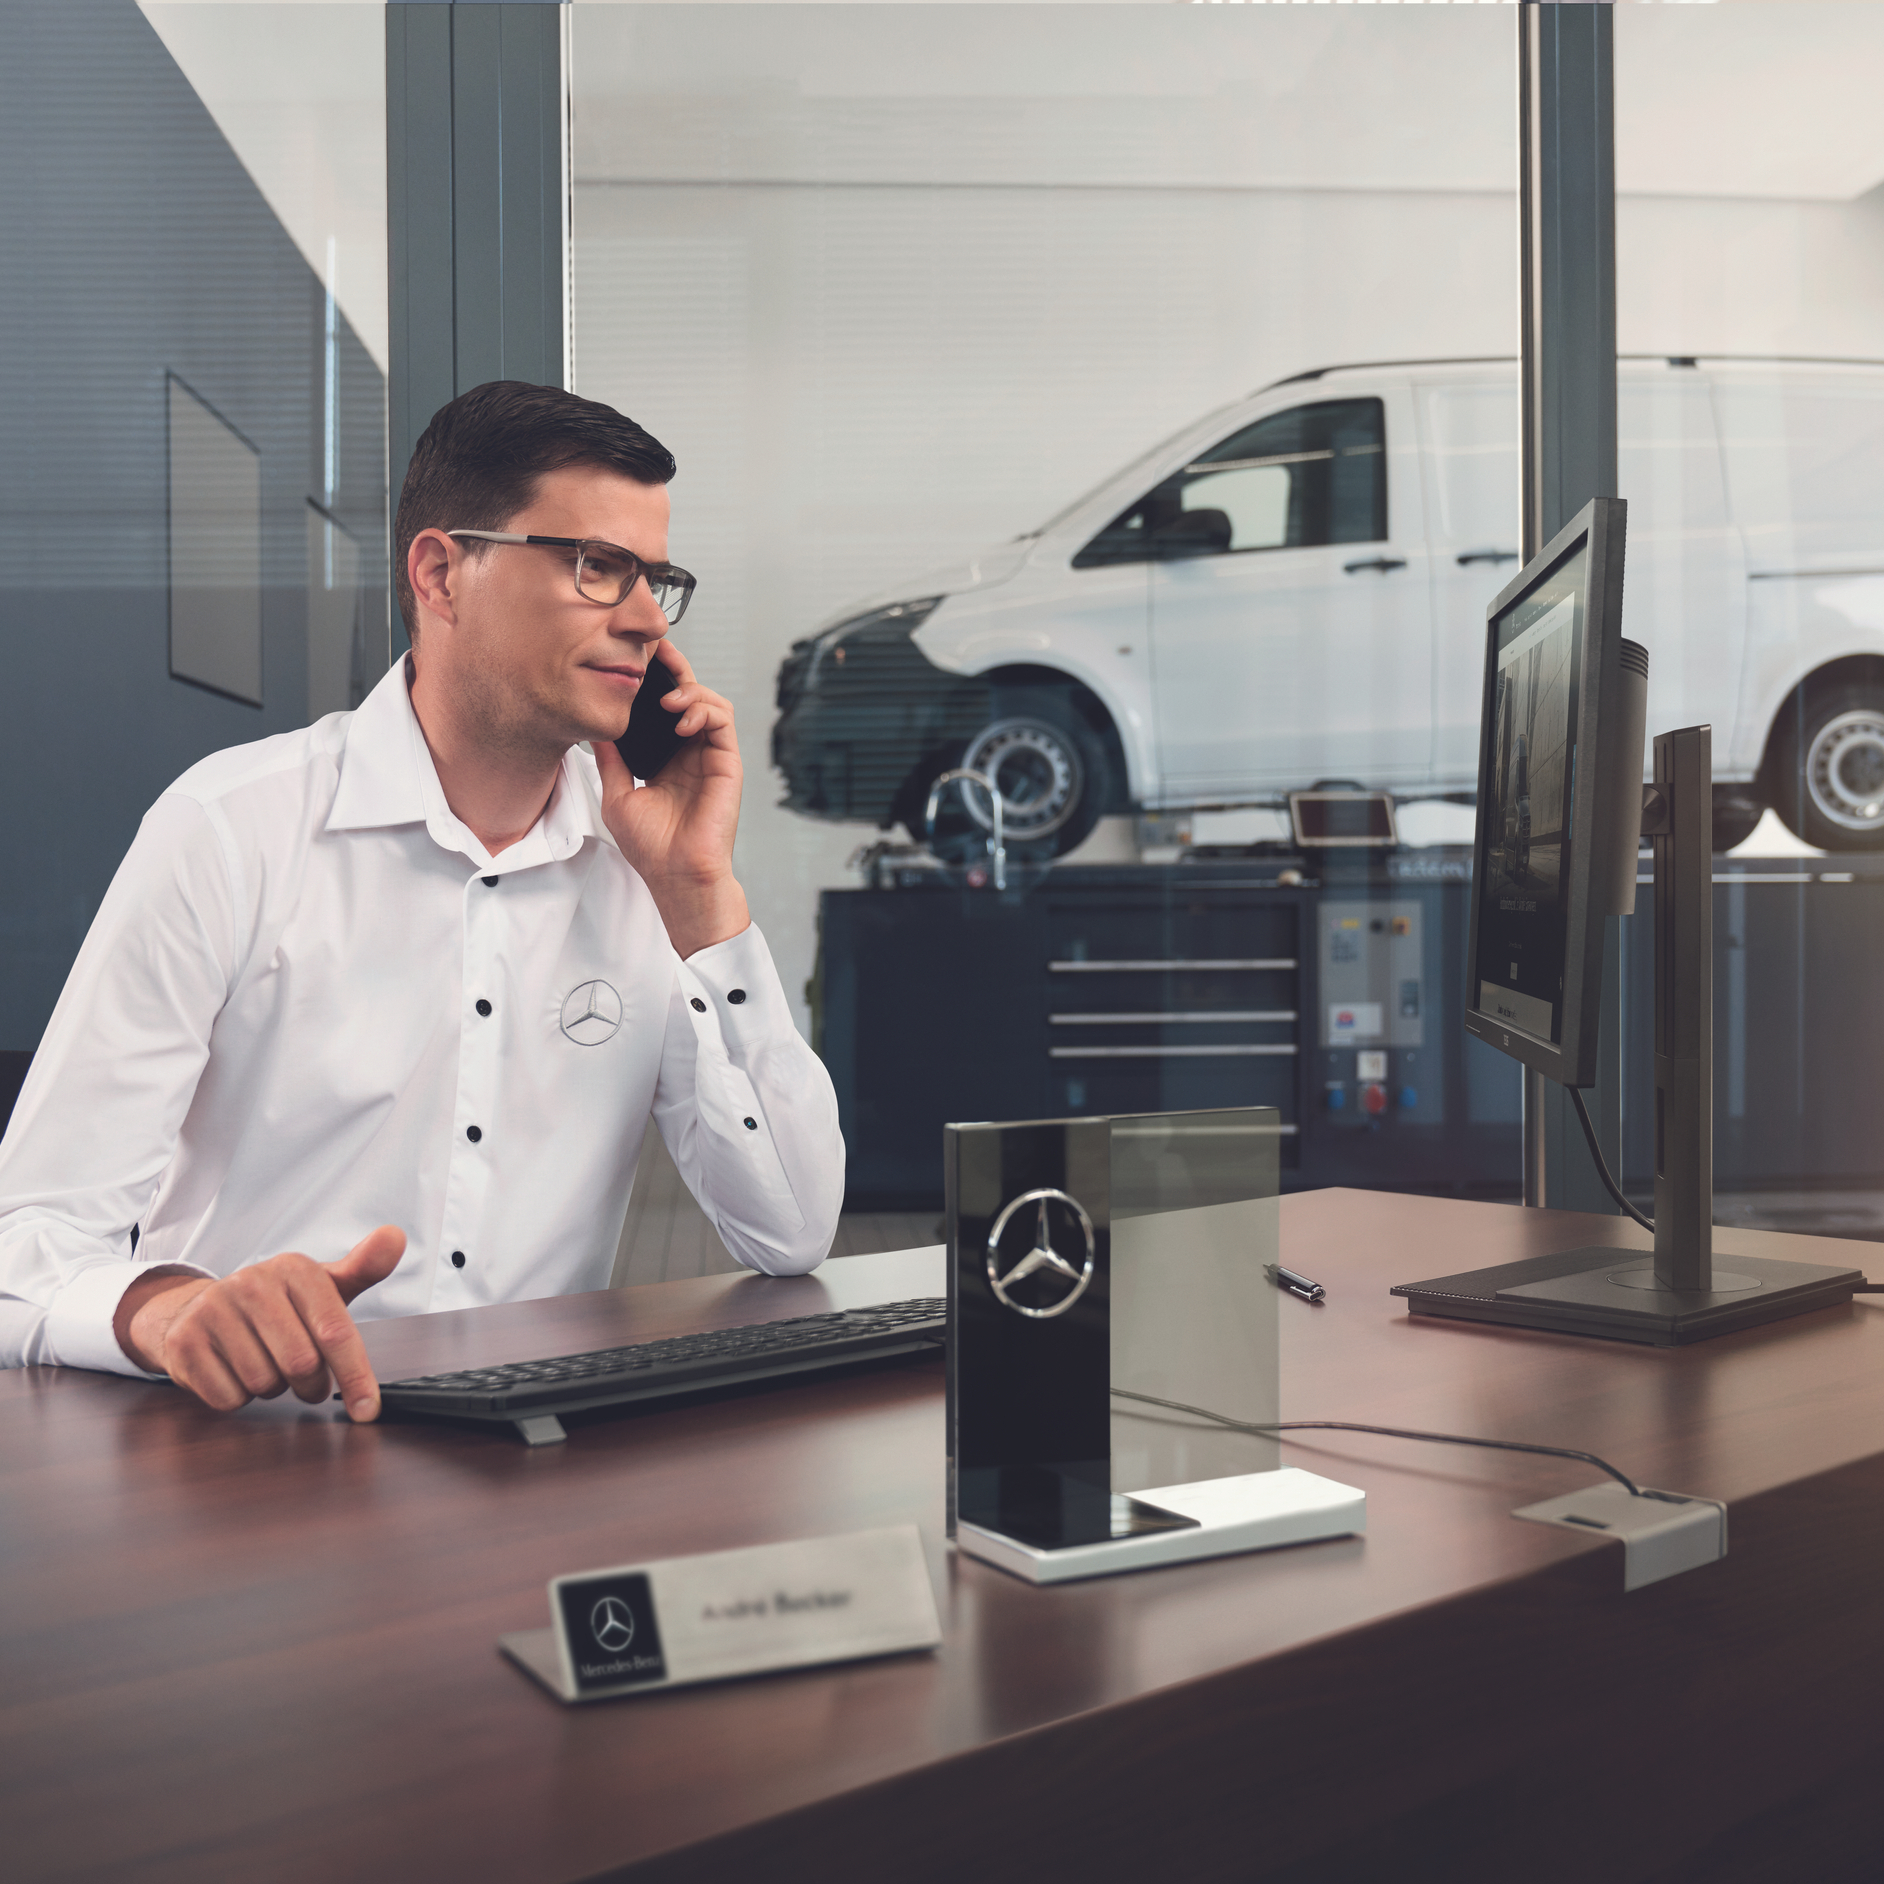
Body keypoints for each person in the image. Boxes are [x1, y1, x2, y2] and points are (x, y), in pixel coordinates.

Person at [0, 380, 844, 1420]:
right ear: (442, 573)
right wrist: (170, 1310)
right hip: (256, 1463)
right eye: (595, 567)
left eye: (655, 580)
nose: (640, 620)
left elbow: (793, 1230)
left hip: (537, 1470)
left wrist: (701, 898)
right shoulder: (230, 830)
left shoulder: (649, 868)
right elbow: (25, 1244)